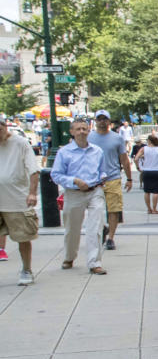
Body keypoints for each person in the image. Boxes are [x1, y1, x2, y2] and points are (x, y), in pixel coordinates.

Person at [51, 118, 108, 275]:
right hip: (74, 193)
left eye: (84, 129)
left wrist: (102, 177)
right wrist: (74, 181)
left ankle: (94, 262)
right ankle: (69, 257)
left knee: (95, 228)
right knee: (72, 229)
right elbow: (56, 175)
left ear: (89, 130)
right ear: (72, 132)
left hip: (95, 191)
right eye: (78, 129)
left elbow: (102, 170)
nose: (82, 132)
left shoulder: (97, 151)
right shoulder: (64, 152)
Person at [0, 121, 39, 285]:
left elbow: (33, 170)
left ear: (5, 128)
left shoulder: (20, 143)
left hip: (17, 200)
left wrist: (32, 193)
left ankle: (26, 269)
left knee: (23, 237)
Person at [87, 110, 132, 251]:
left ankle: (111, 237)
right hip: (94, 180)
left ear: (109, 121)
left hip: (112, 177)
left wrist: (129, 178)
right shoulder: (89, 137)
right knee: (95, 210)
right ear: (95, 121)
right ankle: (103, 228)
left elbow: (124, 159)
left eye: (104, 119)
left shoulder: (117, 138)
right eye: (99, 119)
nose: (101, 121)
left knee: (114, 209)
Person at [136, 134, 158, 214]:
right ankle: (155, 209)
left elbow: (136, 158)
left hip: (147, 171)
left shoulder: (144, 149)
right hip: (157, 171)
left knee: (147, 191)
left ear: (148, 141)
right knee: (156, 191)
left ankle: (149, 209)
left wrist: (138, 167)